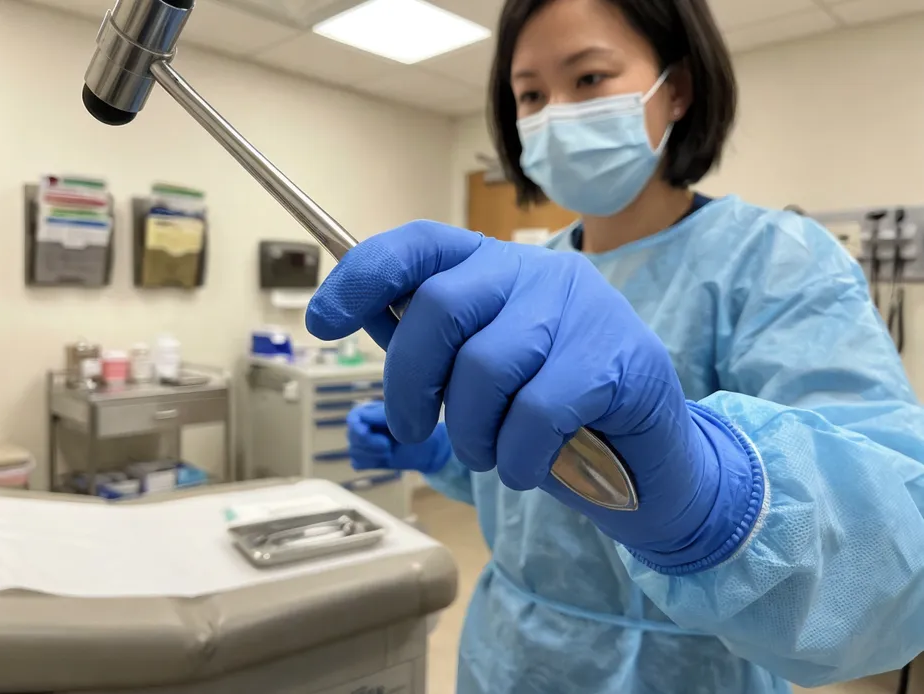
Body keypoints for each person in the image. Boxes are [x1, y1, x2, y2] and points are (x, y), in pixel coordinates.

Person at [306, 0, 924, 692]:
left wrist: (716, 499)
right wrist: (441, 452)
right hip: (511, 656)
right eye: (531, 94)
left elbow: (901, 557)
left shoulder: (773, 261)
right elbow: (533, 495)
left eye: (590, 78)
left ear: (678, 89)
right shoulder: (524, 272)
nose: (556, 112)